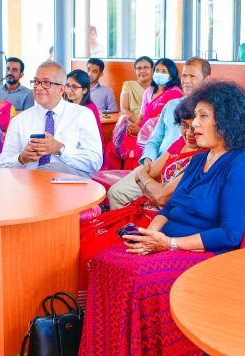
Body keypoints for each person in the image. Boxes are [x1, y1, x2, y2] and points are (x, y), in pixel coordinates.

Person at [79, 81, 245, 356]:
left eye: (203, 117)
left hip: (207, 252)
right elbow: (169, 208)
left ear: (227, 121)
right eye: (196, 116)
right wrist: (151, 233)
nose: (194, 125)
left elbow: (230, 234)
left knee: (141, 276)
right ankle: (115, 353)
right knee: (106, 260)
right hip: (167, 239)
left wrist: (170, 244)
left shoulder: (242, 165)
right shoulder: (199, 160)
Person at [77, 99, 204, 304]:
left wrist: (144, 180)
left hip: (160, 220)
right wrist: (148, 181)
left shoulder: (203, 157)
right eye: (183, 125)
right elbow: (151, 172)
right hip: (145, 208)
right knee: (83, 233)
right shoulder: (181, 143)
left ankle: (92, 306)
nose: (188, 133)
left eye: (193, 127)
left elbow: (162, 196)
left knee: (93, 249)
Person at [106, 57, 210, 210]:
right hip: (155, 164)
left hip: (183, 169)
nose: (187, 81)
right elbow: (154, 140)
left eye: (192, 76)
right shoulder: (171, 106)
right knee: (116, 193)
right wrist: (148, 161)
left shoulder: (210, 111)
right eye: (184, 76)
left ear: (206, 80)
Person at [0, 61, 103, 177]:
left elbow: (95, 162)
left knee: (53, 169)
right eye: (36, 82)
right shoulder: (19, 121)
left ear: (61, 89)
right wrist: (22, 158)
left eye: (46, 83)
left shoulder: (82, 115)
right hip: (29, 184)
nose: (38, 87)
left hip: (69, 184)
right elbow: (3, 166)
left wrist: (60, 149)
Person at [113, 58, 184, 170]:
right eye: (157, 70)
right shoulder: (149, 91)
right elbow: (142, 115)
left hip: (157, 135)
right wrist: (135, 127)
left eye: (164, 71)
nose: (159, 74)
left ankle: (140, 171)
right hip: (142, 131)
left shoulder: (175, 93)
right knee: (121, 142)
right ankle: (124, 174)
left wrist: (141, 132)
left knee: (132, 146)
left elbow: (166, 124)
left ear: (171, 75)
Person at [118, 56, 153, 140]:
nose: (142, 71)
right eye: (139, 68)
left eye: (146, 67)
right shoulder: (128, 85)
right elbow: (124, 108)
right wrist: (138, 123)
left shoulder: (159, 88)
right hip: (133, 126)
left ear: (152, 69)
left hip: (153, 128)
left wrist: (145, 127)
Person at [65, 69, 104, 143]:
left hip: (89, 147)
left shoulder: (88, 109)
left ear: (84, 90)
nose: (69, 90)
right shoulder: (70, 106)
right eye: (67, 86)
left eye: (74, 87)